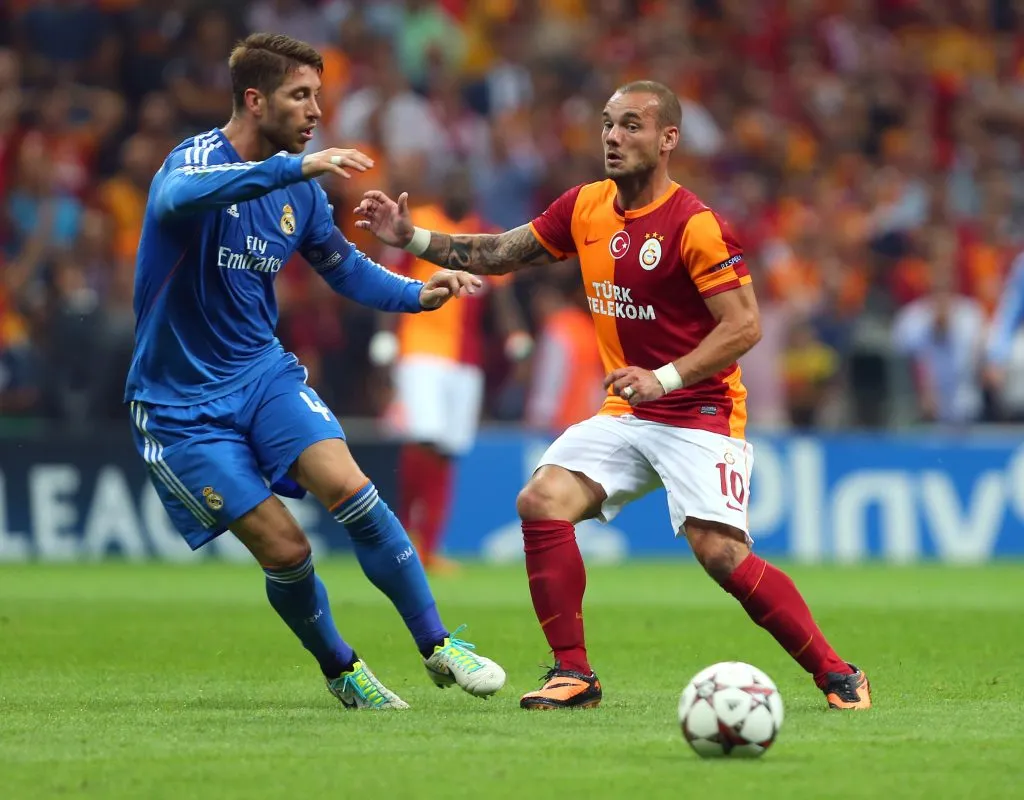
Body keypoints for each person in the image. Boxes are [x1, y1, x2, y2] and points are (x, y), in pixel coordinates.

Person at [355, 79, 871, 711]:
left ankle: (837, 672)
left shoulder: (697, 226)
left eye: (631, 125)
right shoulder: (586, 206)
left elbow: (745, 325)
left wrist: (667, 377)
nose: (613, 136)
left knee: (721, 554)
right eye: (607, 124)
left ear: (668, 139)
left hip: (699, 411)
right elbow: (498, 252)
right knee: (541, 499)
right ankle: (572, 673)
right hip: (629, 409)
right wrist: (412, 239)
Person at [124, 33, 505, 710]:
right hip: (180, 405)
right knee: (288, 551)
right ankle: (342, 667)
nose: (314, 112)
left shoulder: (297, 195)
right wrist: (292, 170)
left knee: (352, 489)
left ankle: (440, 645)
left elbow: (345, 268)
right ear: (254, 99)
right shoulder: (193, 165)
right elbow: (177, 201)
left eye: (317, 97)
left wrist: (419, 293)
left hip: (262, 375)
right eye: (300, 96)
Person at [369, 163, 532, 573]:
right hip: (420, 347)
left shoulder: (486, 232)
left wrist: (515, 333)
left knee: (448, 449)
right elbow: (389, 276)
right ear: (443, 189)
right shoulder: (418, 224)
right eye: (452, 182)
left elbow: (501, 296)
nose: (458, 190)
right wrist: (385, 333)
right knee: (424, 438)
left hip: (466, 360)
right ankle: (404, 539)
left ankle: (429, 548)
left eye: (464, 183)